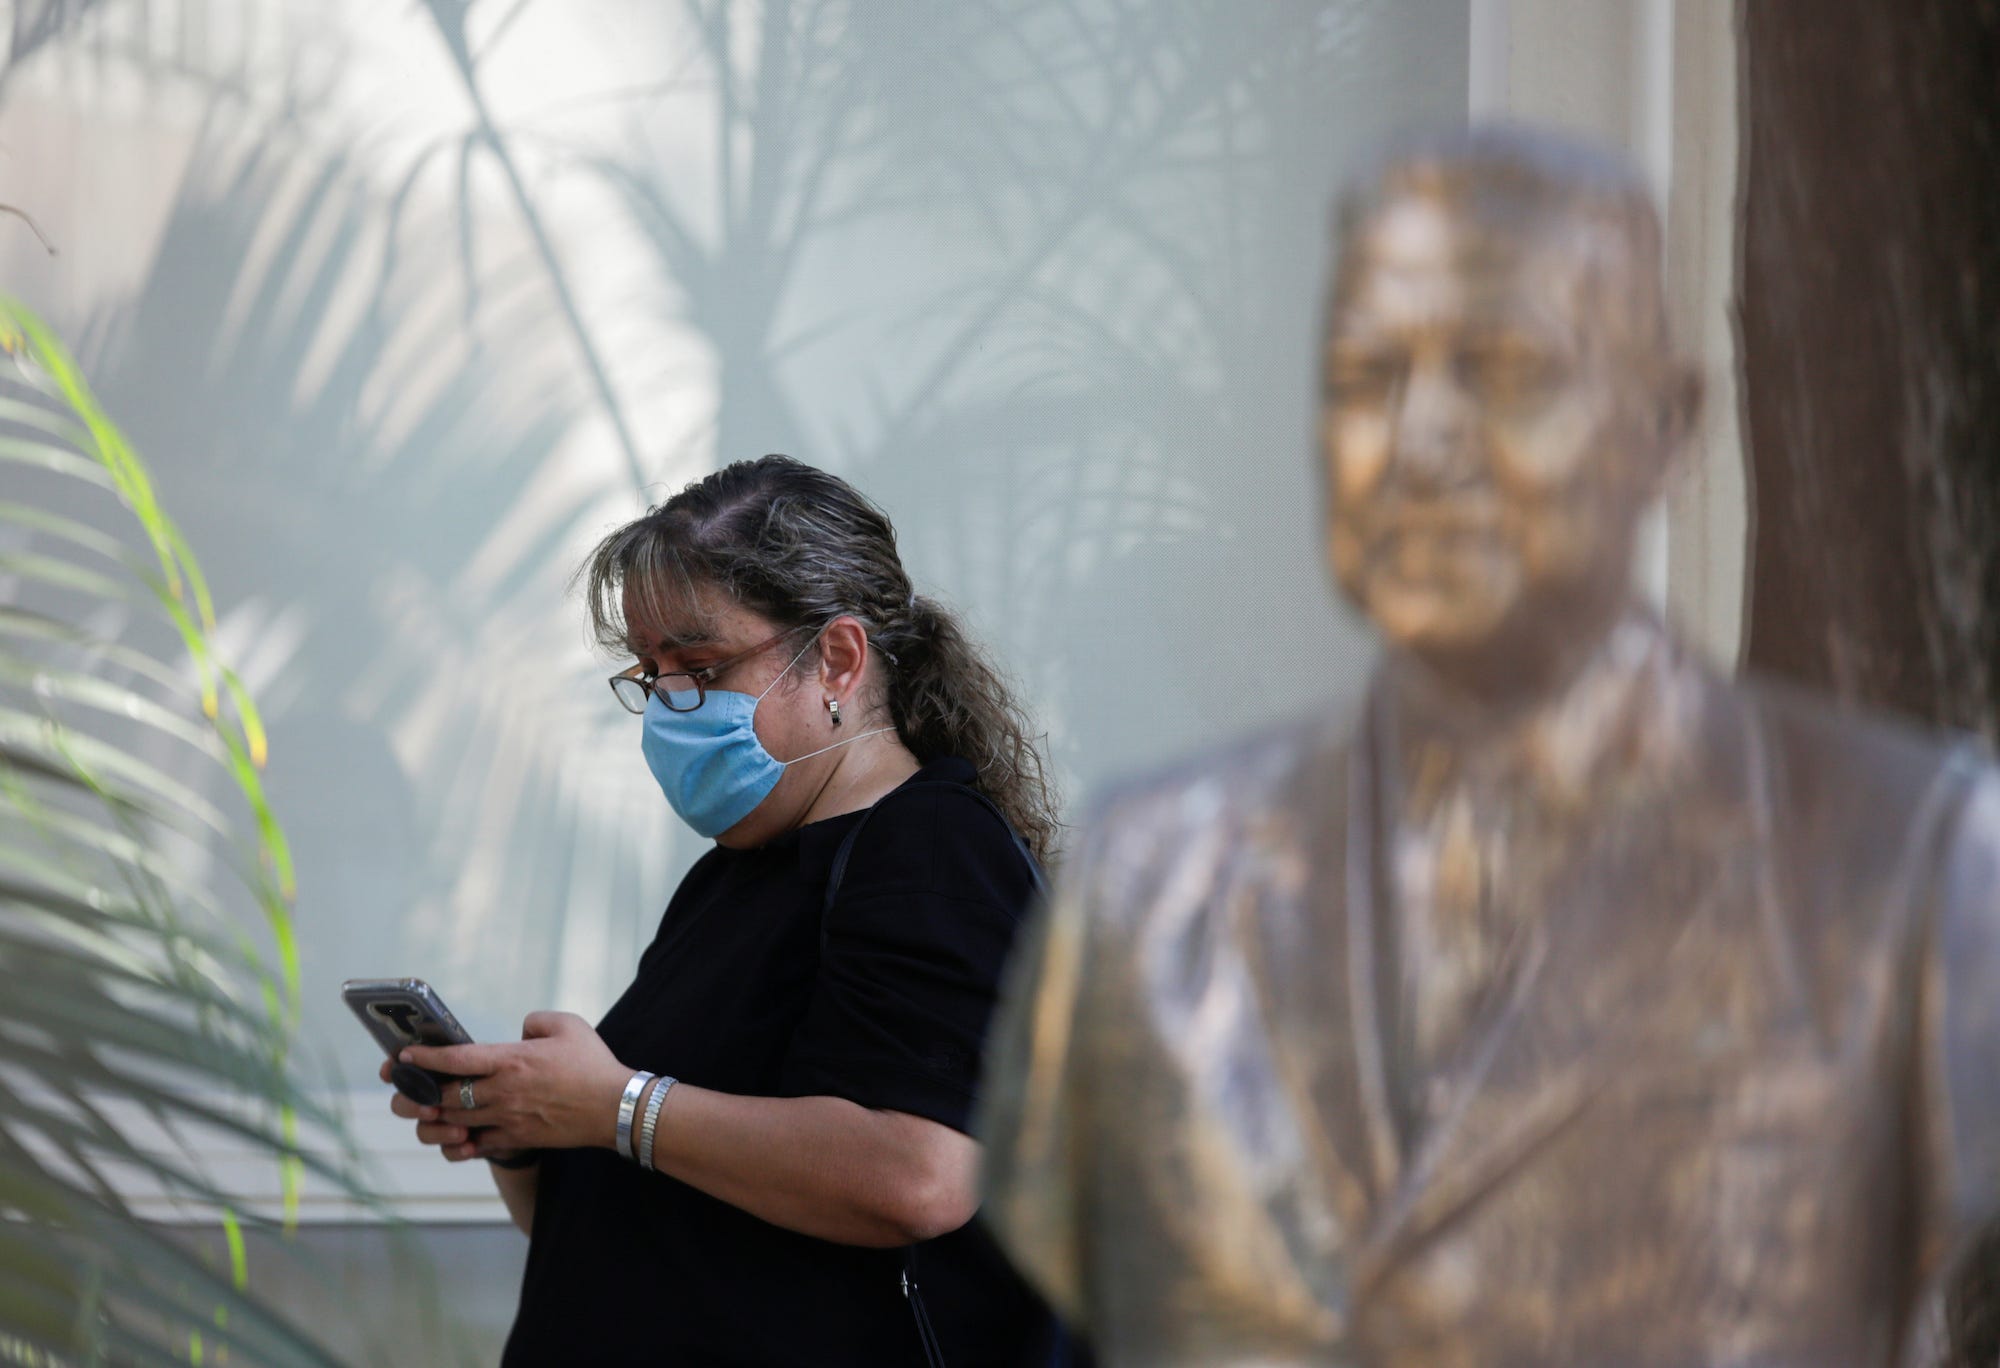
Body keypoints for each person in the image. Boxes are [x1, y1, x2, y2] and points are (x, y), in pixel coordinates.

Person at [976, 127, 2000, 1366]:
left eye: (1506, 371)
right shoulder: (1153, 881)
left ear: (1665, 428)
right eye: (1367, 378)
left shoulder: (1913, 861)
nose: (1421, 443)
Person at [382, 455, 1065, 1365]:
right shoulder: (737, 874)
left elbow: (920, 1175)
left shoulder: (930, 847)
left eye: (699, 664)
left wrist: (616, 1104)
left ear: (838, 657)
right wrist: (526, 1129)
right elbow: (635, 1212)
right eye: (651, 670)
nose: (669, 702)